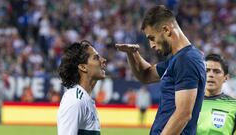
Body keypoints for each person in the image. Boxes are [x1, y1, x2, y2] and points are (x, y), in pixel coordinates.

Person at [116, 5, 206, 135]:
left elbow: (183, 114)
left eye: (152, 38)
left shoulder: (186, 60)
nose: (151, 45)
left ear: (166, 29)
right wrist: (132, 53)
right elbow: (145, 75)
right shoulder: (178, 60)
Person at [57, 40, 107, 135]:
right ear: (83, 67)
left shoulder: (84, 99)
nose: (103, 60)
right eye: (96, 58)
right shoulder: (75, 101)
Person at [197, 54, 236, 135]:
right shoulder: (189, 103)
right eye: (207, 70)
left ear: (226, 78)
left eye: (216, 71)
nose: (211, 75)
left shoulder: (233, 105)